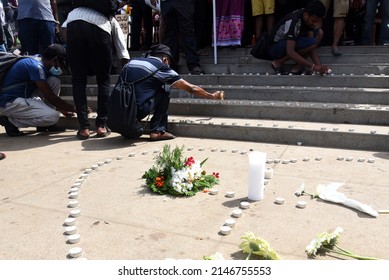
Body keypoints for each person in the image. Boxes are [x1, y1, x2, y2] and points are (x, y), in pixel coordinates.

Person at [114, 44, 224, 141]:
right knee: (164, 91)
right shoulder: (161, 67)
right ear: (165, 59)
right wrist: (211, 96)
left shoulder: (132, 62)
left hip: (116, 111)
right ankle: (157, 131)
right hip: (135, 110)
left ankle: (128, 127)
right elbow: (192, 89)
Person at [65, 6, 122, 140]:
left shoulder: (75, 9)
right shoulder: (107, 12)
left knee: (78, 80)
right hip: (100, 27)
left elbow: (64, 28)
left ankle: (84, 128)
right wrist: (123, 57)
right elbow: (118, 37)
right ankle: (101, 126)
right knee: (103, 79)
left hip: (73, 24)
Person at [0, 44, 76, 137]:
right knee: (53, 117)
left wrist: (62, 108)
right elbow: (51, 97)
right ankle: (11, 121)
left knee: (54, 81)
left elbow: (49, 93)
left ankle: (45, 126)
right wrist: (75, 109)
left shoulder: (37, 60)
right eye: (60, 63)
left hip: (22, 97)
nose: (59, 67)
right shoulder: (36, 67)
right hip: (10, 102)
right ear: (55, 59)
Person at [268, 0, 330, 75]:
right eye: (313, 21)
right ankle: (278, 62)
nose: (315, 24)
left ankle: (297, 68)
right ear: (306, 15)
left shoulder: (308, 19)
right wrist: (313, 67)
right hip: (276, 47)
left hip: (290, 42)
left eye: (317, 22)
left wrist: (319, 67)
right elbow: (290, 52)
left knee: (319, 33)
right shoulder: (294, 20)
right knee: (311, 42)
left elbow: (311, 45)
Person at [160, 0, 204, 74]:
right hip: (166, 2)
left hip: (184, 2)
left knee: (187, 31)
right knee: (169, 33)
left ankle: (193, 64)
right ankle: (171, 64)